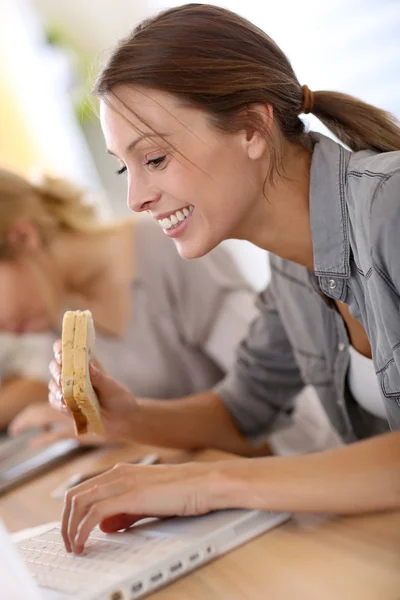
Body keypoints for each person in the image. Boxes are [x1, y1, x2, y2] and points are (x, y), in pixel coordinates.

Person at [48, 3, 400, 554]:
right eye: (124, 166)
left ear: (252, 129)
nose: (134, 198)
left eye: (155, 159)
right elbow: (245, 410)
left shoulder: (390, 209)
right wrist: (128, 417)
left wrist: (204, 485)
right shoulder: (290, 263)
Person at [0, 166, 261, 439]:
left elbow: (283, 413)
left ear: (23, 237)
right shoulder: (54, 309)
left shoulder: (167, 252)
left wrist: (126, 427)